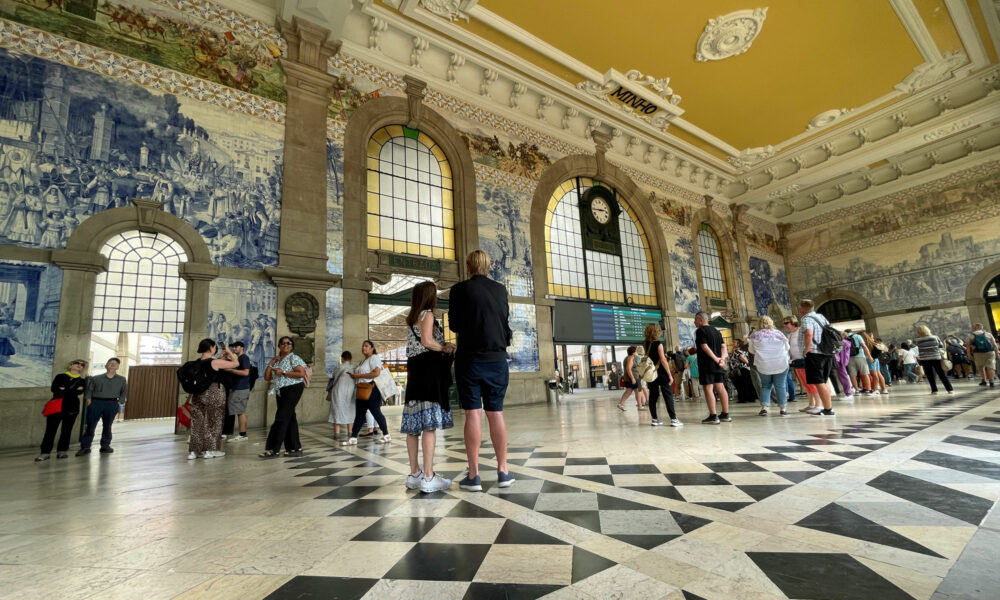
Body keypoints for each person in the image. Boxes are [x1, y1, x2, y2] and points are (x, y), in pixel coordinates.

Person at [448, 250, 515, 491]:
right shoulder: (500, 290)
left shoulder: (459, 290)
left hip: (470, 360)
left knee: (473, 413)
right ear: (488, 266)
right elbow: (504, 321)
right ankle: (503, 471)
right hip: (497, 360)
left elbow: (454, 324)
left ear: (468, 267)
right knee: (496, 413)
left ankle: (474, 475)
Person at [401, 282, 457, 493]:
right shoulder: (428, 314)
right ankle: (428, 476)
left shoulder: (412, 317)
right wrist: (444, 347)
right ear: (429, 296)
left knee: (414, 425)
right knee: (429, 425)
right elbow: (426, 341)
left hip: (415, 372)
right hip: (428, 373)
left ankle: (414, 474)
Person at [187, 339, 239, 460]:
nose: (215, 349)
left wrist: (220, 357)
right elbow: (236, 363)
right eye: (215, 347)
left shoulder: (196, 363)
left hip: (198, 394)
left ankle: (194, 452)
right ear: (211, 347)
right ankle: (210, 450)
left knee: (197, 423)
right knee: (214, 421)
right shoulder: (214, 362)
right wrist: (228, 351)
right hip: (214, 392)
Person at [259, 336, 308, 458]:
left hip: (293, 388)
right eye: (282, 343)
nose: (285, 345)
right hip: (281, 391)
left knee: (281, 418)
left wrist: (284, 372)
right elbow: (267, 377)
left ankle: (273, 449)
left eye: (288, 343)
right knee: (290, 417)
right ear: (279, 345)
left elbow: (301, 374)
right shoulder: (277, 360)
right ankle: (295, 448)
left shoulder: (294, 358)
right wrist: (271, 363)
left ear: (292, 346)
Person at [341, 340, 392, 446]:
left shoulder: (374, 358)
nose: (363, 348)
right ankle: (353, 438)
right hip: (362, 389)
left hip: (371, 389)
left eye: (366, 346)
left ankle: (387, 435)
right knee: (359, 414)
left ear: (372, 348)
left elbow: (376, 373)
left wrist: (358, 376)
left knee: (375, 412)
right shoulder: (363, 361)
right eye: (362, 346)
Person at [36, 359, 88, 461]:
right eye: (77, 363)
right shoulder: (60, 376)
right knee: (50, 431)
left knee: (67, 431)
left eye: (82, 365)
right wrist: (73, 390)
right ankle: (45, 453)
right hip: (57, 407)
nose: (79, 365)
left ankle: (62, 451)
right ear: (71, 365)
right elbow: (54, 389)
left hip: (72, 408)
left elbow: (79, 393)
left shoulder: (82, 381)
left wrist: (65, 389)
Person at [77, 358, 128, 456]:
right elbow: (89, 391)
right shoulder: (96, 378)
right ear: (106, 365)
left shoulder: (122, 379)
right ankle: (85, 447)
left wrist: (119, 402)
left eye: (115, 363)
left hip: (112, 403)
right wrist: (89, 402)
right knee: (91, 425)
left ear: (118, 367)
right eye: (110, 363)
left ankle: (105, 446)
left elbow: (123, 392)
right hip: (96, 402)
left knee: (107, 426)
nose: (113, 364)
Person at [799, 299, 835, 416]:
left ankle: (828, 409)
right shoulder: (821, 317)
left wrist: (806, 348)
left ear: (802, 309)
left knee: (819, 382)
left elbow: (809, 333)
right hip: (826, 352)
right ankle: (827, 407)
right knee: (823, 381)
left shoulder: (806, 319)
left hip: (815, 353)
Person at [748, 316, 790, 416]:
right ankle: (783, 409)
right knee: (780, 386)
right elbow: (787, 347)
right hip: (780, 363)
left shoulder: (754, 335)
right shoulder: (779, 333)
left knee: (765, 386)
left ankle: (764, 408)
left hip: (764, 364)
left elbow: (751, 351)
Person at [694, 311, 730, 424]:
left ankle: (713, 416)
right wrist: (722, 359)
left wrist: (715, 359)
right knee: (721, 388)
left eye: (695, 320)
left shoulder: (700, 331)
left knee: (708, 388)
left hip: (707, 364)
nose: (694, 323)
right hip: (718, 364)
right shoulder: (716, 331)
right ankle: (725, 414)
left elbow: (704, 346)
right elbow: (724, 346)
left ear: (700, 320)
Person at [643, 323, 681, 427]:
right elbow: (663, 360)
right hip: (661, 372)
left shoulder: (645, 343)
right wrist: (669, 374)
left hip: (651, 373)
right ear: (657, 332)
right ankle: (673, 419)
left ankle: (655, 419)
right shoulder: (659, 344)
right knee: (667, 395)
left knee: (653, 396)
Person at [785, 316, 821, 413]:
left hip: (805, 359)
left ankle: (818, 404)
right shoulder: (790, 334)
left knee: (811, 382)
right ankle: (811, 404)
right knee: (805, 383)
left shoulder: (801, 331)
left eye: (786, 323)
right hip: (796, 360)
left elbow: (810, 341)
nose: (785, 325)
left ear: (793, 322)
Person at [222, 340, 251, 443]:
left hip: (241, 388)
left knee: (240, 412)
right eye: (233, 347)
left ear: (242, 347)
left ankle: (242, 434)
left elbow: (245, 372)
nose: (234, 348)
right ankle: (241, 434)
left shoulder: (244, 358)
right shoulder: (238, 359)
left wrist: (230, 370)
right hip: (236, 388)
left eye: (236, 347)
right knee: (238, 411)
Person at [915, 325, 954, 394]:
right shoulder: (935, 337)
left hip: (925, 359)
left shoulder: (918, 340)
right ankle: (949, 389)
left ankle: (934, 390)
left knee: (930, 375)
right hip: (936, 357)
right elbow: (941, 347)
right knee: (941, 374)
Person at [327, 351, 355, 439]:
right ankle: (350, 432)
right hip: (350, 393)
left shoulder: (338, 367)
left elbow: (333, 376)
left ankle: (337, 433)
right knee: (350, 411)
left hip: (338, 392)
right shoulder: (354, 367)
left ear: (342, 358)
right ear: (350, 358)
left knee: (337, 411)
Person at [844, 329, 875, 396]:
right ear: (852, 332)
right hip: (860, 356)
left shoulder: (844, 337)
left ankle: (857, 390)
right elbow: (864, 346)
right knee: (865, 373)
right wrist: (869, 356)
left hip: (849, 358)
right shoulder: (857, 336)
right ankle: (868, 390)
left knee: (853, 375)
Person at [965, 323, 997, 389]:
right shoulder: (988, 334)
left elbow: (968, 346)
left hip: (978, 353)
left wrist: (969, 355)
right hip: (990, 352)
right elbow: (994, 344)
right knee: (990, 366)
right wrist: (997, 352)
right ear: (981, 327)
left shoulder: (970, 335)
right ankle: (991, 381)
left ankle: (984, 380)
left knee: (980, 366)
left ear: (975, 328)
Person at [729, 340, 757, 404]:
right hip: (746, 369)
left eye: (734, 342)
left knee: (741, 385)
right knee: (747, 384)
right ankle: (750, 398)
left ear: (738, 344)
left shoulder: (737, 351)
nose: (732, 343)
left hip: (741, 369)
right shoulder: (743, 351)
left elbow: (742, 358)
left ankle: (743, 399)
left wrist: (747, 363)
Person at [617, 346, 640, 411]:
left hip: (627, 378)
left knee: (628, 391)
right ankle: (640, 405)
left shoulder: (627, 358)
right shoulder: (631, 358)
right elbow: (628, 369)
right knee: (637, 391)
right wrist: (632, 378)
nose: (637, 352)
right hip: (633, 377)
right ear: (633, 352)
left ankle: (620, 404)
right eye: (636, 351)